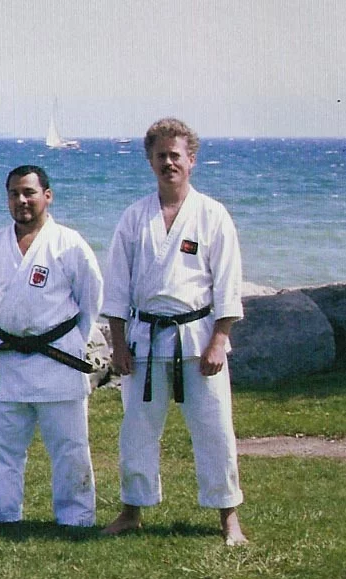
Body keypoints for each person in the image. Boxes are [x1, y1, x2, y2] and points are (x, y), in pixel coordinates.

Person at [100, 118, 248, 545]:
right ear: (150, 160)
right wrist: (118, 343)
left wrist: (219, 340)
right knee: (137, 430)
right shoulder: (134, 217)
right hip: (145, 340)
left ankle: (228, 516)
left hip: (199, 340)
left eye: (176, 155)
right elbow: (117, 287)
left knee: (215, 429)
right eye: (161, 155)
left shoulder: (212, 215)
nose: (169, 163)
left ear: (191, 160)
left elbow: (228, 282)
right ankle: (132, 509)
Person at [0, 165, 103, 527]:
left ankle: (76, 516)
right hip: (9, 359)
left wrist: (74, 341)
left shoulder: (69, 244)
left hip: (58, 357)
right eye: (14, 193)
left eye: (29, 192)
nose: (22, 200)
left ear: (48, 196)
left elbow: (90, 299)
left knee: (69, 446)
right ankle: (1, 512)